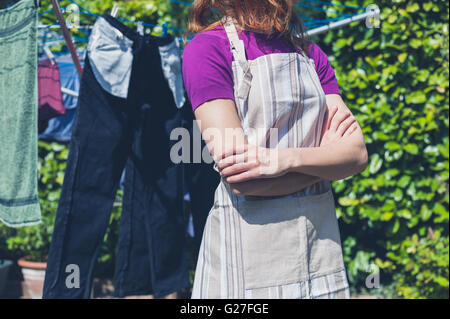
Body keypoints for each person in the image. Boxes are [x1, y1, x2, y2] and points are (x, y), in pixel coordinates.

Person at [182, 0, 368, 299]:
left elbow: (357, 154)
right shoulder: (206, 49)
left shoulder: (309, 54)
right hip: (247, 261)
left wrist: (279, 160)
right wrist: (325, 166)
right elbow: (243, 179)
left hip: (320, 252)